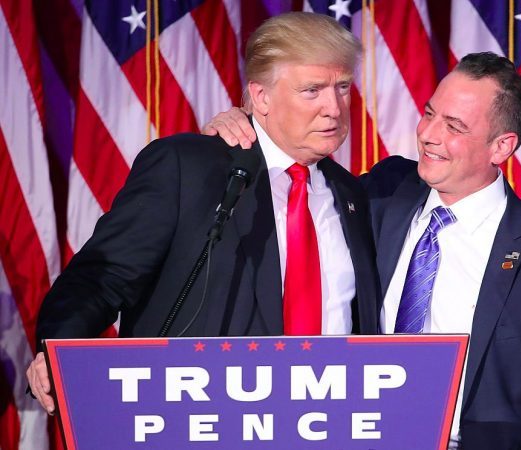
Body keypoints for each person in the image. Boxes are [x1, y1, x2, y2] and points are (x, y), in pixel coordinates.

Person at [203, 52, 521, 449]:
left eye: (454, 126)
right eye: (430, 113)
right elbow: (295, 180)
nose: (428, 134)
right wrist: (245, 131)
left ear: (501, 147)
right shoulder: (382, 192)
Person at [26, 12, 380, 416]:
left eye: (343, 87)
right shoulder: (189, 167)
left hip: (327, 422)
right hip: (200, 421)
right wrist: (60, 351)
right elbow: (103, 278)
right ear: (261, 97)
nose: (333, 108)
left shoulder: (352, 194)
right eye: (312, 90)